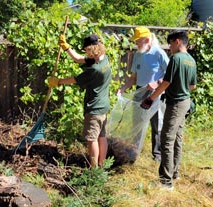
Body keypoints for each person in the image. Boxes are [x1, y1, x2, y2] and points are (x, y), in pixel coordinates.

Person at [141, 30, 197, 190]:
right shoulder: (191, 60)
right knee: (177, 139)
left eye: (171, 44)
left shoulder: (176, 58)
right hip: (186, 102)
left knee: (166, 140)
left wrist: (151, 98)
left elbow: (165, 83)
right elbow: (192, 86)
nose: (169, 48)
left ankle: (166, 181)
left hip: (175, 104)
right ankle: (175, 173)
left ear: (177, 42)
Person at [48, 34, 112, 167]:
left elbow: (75, 79)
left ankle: (94, 170)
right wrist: (67, 48)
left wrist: (58, 82)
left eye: (87, 50)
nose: (85, 53)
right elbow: (78, 59)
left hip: (94, 108)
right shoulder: (103, 59)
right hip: (104, 106)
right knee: (102, 136)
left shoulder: (94, 69)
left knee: (91, 139)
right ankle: (102, 165)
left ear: (92, 49)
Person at [117, 26, 169, 162]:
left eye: (138, 41)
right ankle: (134, 153)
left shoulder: (159, 53)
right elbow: (133, 77)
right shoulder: (138, 54)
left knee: (157, 124)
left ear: (147, 40)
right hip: (140, 92)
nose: (136, 44)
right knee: (137, 123)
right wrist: (123, 88)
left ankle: (157, 155)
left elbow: (170, 74)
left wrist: (157, 83)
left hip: (156, 93)